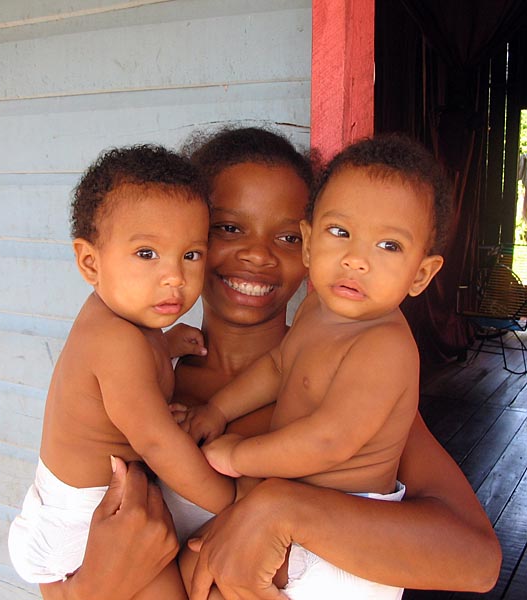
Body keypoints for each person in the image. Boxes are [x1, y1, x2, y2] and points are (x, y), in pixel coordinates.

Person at [39, 127, 501, 600]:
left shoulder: (345, 378)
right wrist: (95, 585)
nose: (258, 254)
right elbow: (57, 565)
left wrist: (283, 510)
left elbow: (478, 562)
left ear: (307, 247)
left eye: (285, 236)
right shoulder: (143, 383)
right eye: (227, 228)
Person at [180, 134, 447, 599]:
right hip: (296, 538)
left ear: (421, 275)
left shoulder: (385, 347)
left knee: (203, 566)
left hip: (339, 551)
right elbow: (278, 366)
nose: (356, 260)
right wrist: (218, 411)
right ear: (310, 244)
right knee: (197, 565)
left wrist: (238, 456)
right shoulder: (316, 311)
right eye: (340, 233)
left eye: (388, 245)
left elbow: (329, 440)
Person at [8, 145, 235, 599]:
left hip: (76, 505)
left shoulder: (125, 323)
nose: (174, 276)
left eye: (191, 255)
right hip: (83, 521)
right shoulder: (116, 342)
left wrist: (166, 345)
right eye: (147, 253)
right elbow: (157, 443)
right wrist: (230, 502)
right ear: (90, 262)